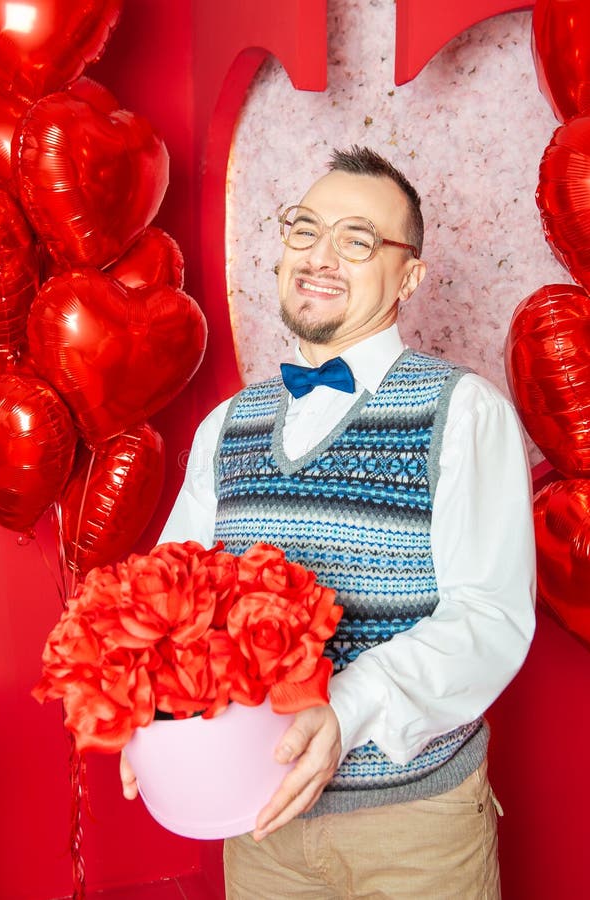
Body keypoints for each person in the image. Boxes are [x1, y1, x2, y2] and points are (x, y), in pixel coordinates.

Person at [121, 145, 536, 898]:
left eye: (357, 240)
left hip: (411, 830)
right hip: (259, 819)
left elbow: (488, 618)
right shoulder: (227, 425)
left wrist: (346, 706)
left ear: (407, 275)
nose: (319, 256)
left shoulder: (462, 412)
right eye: (304, 229)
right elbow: (170, 599)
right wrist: (144, 708)